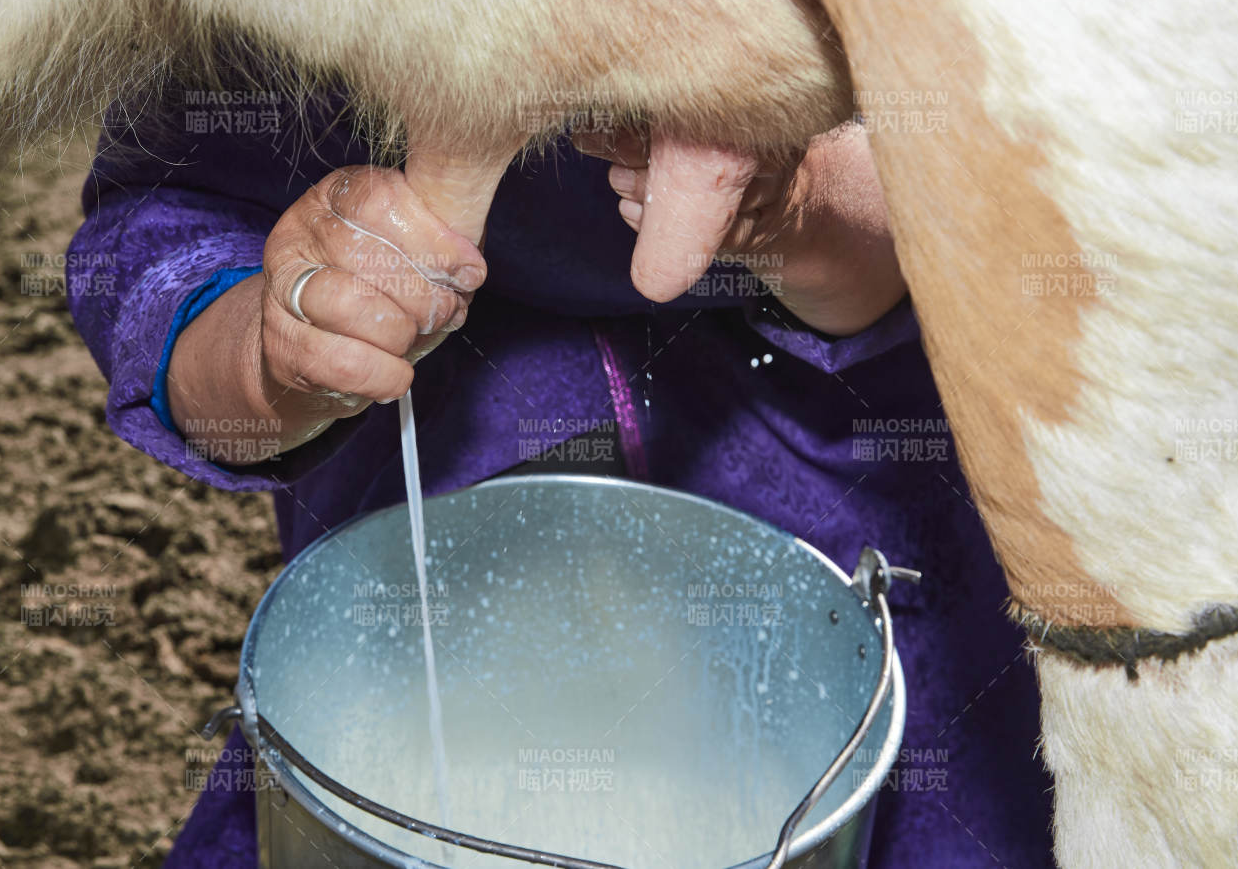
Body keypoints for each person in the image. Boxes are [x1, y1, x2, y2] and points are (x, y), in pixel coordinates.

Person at [66, 84, 1052, 868]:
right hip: (422, 587)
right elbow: (167, 212)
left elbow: (1048, 178)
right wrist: (278, 349)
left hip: (856, 522)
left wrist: (806, 211)